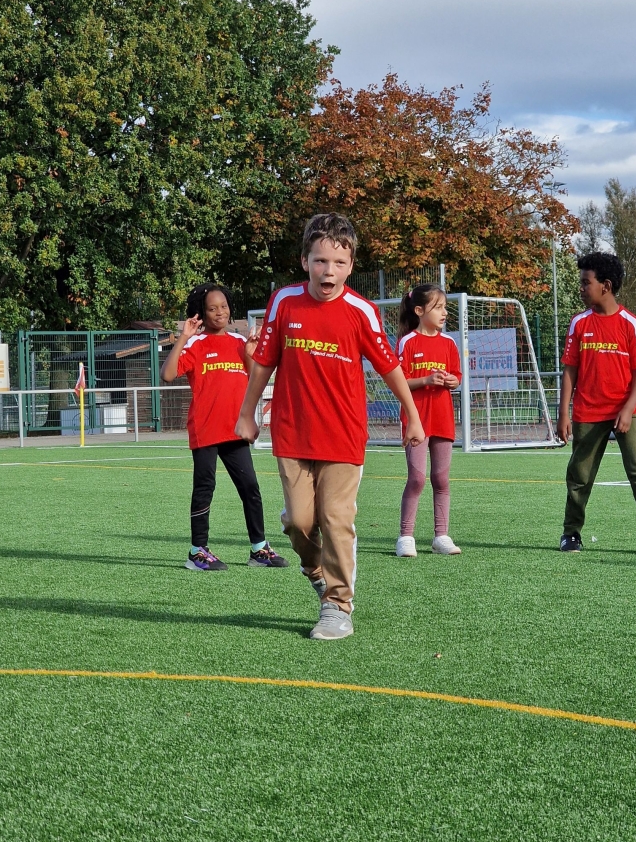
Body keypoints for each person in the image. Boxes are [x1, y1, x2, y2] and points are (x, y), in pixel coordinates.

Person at [235, 214, 425, 640]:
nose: (329, 271)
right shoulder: (284, 301)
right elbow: (264, 361)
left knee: (336, 518)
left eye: (339, 263)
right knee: (300, 523)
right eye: (320, 261)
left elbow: (389, 367)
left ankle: (337, 606)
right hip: (292, 433)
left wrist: (412, 415)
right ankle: (315, 569)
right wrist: (248, 413)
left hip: (344, 434)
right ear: (305, 261)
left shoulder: (361, 311)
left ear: (351, 266)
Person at [161, 283, 288, 571]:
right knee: (205, 488)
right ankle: (197, 552)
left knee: (250, 487)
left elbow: (255, 378)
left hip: (235, 430)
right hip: (205, 429)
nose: (220, 312)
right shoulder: (195, 344)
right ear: (201, 313)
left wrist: (251, 351)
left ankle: (259, 549)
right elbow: (167, 374)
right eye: (212, 308)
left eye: (224, 306)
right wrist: (184, 336)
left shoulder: (239, 342)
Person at [557, 252, 636, 555]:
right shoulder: (579, 323)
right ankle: (571, 534)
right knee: (579, 476)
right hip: (588, 411)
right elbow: (570, 370)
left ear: (605, 286)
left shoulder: (631, 323)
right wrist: (563, 412)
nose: (581, 288)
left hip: (628, 410)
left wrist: (628, 410)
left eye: (586, 282)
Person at [394, 283, 462, 557]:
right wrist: (425, 380)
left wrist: (452, 380)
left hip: (443, 419)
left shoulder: (449, 343)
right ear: (420, 311)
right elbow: (398, 381)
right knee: (417, 478)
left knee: (441, 478)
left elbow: (457, 376)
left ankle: (441, 536)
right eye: (438, 307)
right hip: (416, 420)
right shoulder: (407, 342)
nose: (444, 313)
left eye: (445, 307)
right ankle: (405, 537)